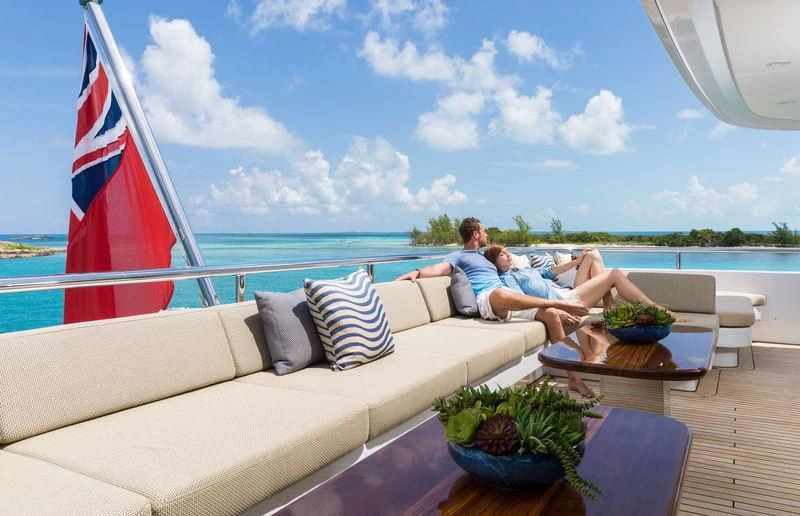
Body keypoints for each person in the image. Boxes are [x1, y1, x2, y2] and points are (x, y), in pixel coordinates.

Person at [396, 217, 595, 397]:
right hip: (488, 300)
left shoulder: (485, 256)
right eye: (484, 232)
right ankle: (559, 303)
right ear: (475, 234)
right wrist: (416, 272)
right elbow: (438, 269)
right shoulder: (459, 256)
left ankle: (574, 379)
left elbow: (508, 264)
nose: (486, 234)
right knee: (502, 294)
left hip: (508, 296)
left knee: (551, 315)